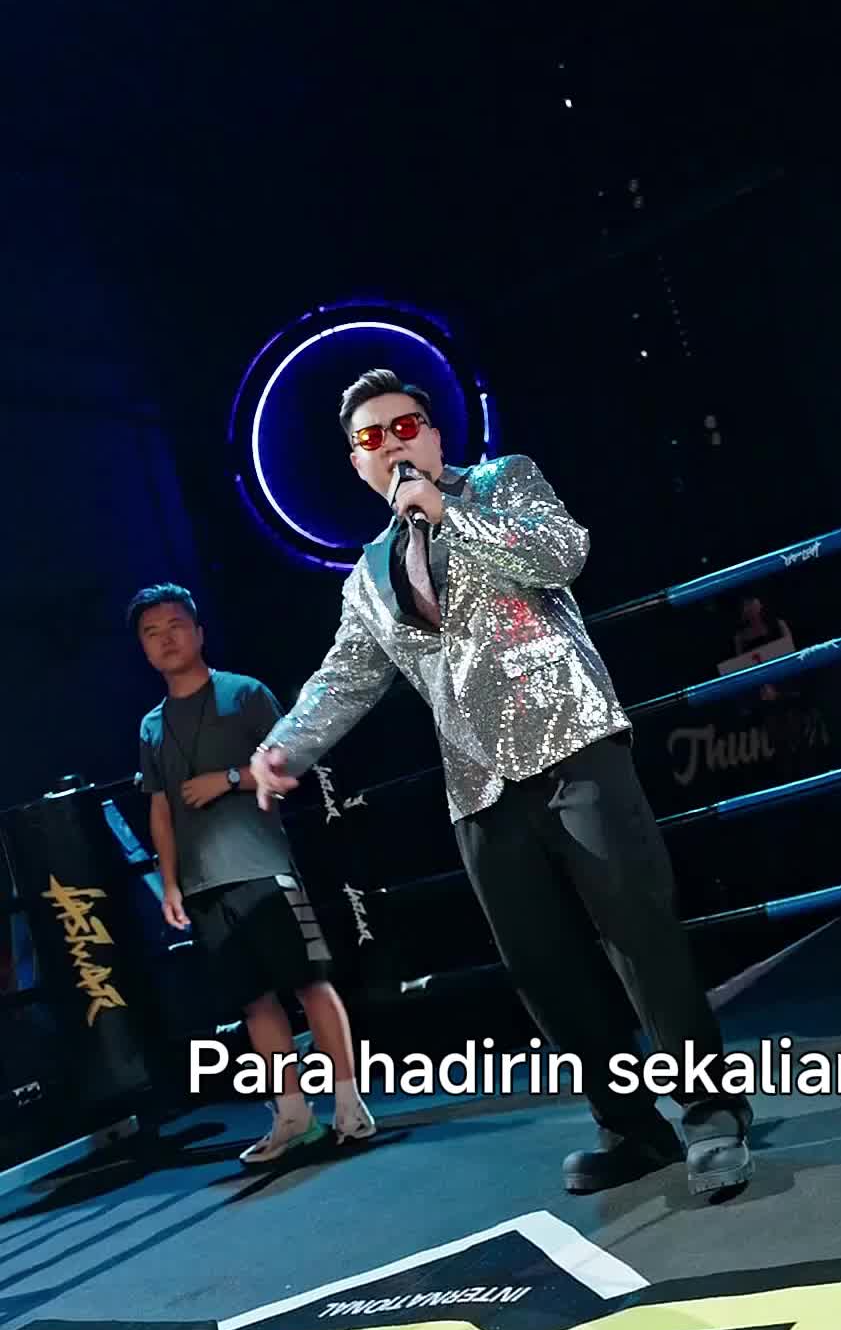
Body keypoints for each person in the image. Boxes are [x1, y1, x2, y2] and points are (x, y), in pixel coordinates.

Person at [250, 370, 752, 1198]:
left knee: (640, 936)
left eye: (407, 425)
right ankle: (629, 1128)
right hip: (478, 783)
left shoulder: (503, 481)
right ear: (357, 463)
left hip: (574, 741)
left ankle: (710, 1115)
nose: (394, 444)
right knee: (544, 968)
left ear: (434, 434)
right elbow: (346, 678)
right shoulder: (367, 576)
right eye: (373, 437)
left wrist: (449, 514)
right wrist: (283, 749)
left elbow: (563, 555)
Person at [128, 583, 375, 1163]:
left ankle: (349, 1104)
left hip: (262, 866)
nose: (165, 639)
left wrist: (230, 779)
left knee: (310, 982)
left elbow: (290, 760)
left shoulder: (244, 693)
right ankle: (293, 1114)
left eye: (174, 626)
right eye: (151, 633)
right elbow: (159, 808)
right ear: (143, 648)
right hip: (202, 884)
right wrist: (169, 882)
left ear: (198, 632)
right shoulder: (151, 726)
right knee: (253, 1000)